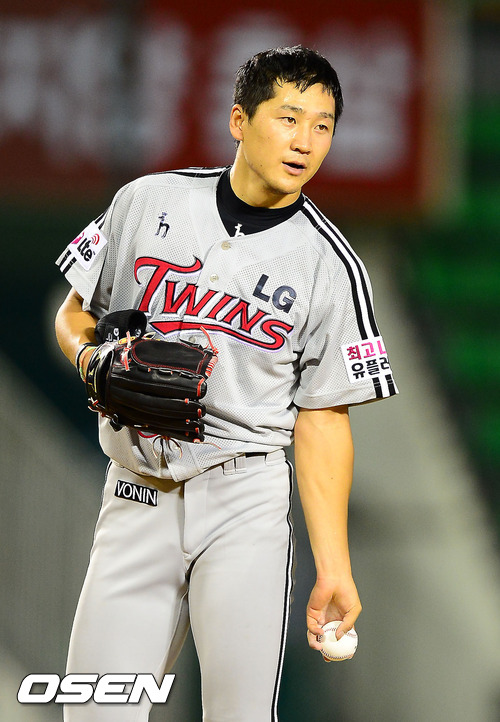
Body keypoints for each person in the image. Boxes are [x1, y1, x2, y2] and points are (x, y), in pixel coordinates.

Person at [55, 45, 398, 722]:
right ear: (239, 120)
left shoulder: (331, 264)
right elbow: (74, 313)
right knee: (94, 712)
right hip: (136, 493)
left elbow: (324, 417)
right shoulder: (147, 200)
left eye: (323, 125)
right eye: (288, 118)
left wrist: (334, 566)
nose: (305, 141)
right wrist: (90, 359)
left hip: (244, 501)